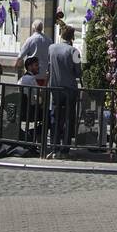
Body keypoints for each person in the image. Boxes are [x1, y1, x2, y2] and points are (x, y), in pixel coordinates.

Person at [47, 24, 82, 158]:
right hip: (69, 89)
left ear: (61, 35)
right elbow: (78, 72)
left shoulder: (52, 48)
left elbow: (49, 67)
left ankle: (54, 146)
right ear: (72, 37)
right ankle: (65, 149)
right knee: (68, 118)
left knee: (55, 117)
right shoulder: (74, 51)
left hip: (55, 88)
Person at [17, 20, 52, 87]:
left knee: (31, 94)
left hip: (33, 73)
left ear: (33, 28)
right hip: (44, 73)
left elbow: (21, 56)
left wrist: (16, 65)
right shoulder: (48, 40)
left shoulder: (30, 40)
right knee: (43, 94)